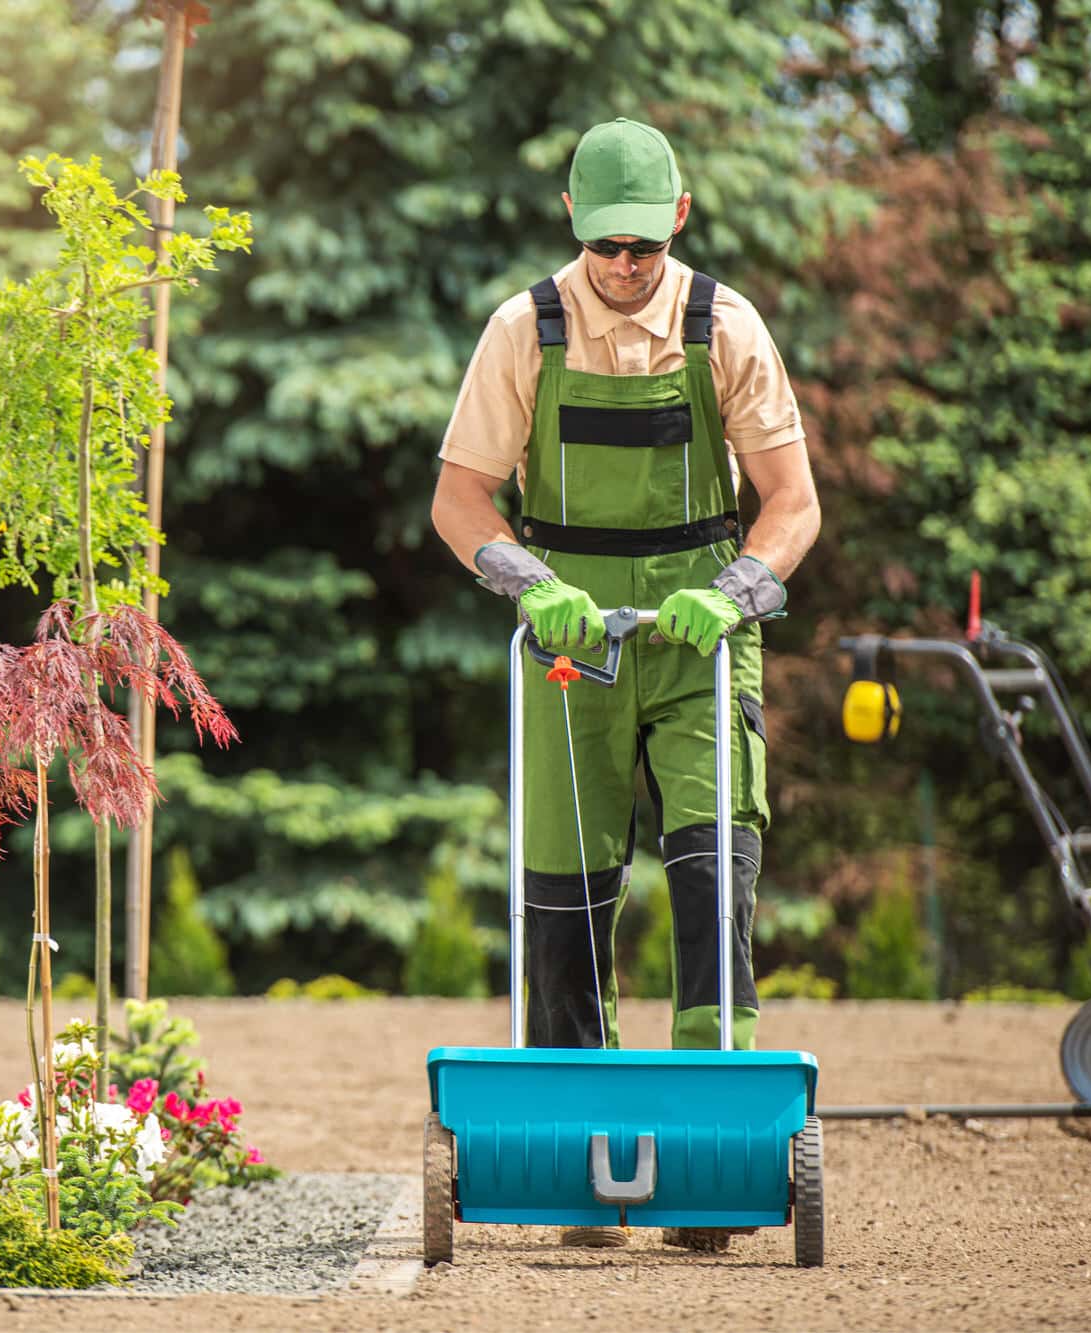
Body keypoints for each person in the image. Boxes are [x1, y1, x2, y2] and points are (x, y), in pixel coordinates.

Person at [429, 118, 821, 1252]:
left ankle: (711, 1153)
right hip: (572, 631)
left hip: (698, 630)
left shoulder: (722, 327)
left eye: (641, 244)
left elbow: (790, 503)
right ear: (572, 224)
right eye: (603, 243)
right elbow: (461, 501)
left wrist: (737, 588)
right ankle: (579, 1160)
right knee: (562, 895)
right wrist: (523, 580)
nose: (621, 264)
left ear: (678, 220)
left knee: (709, 871)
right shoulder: (523, 331)